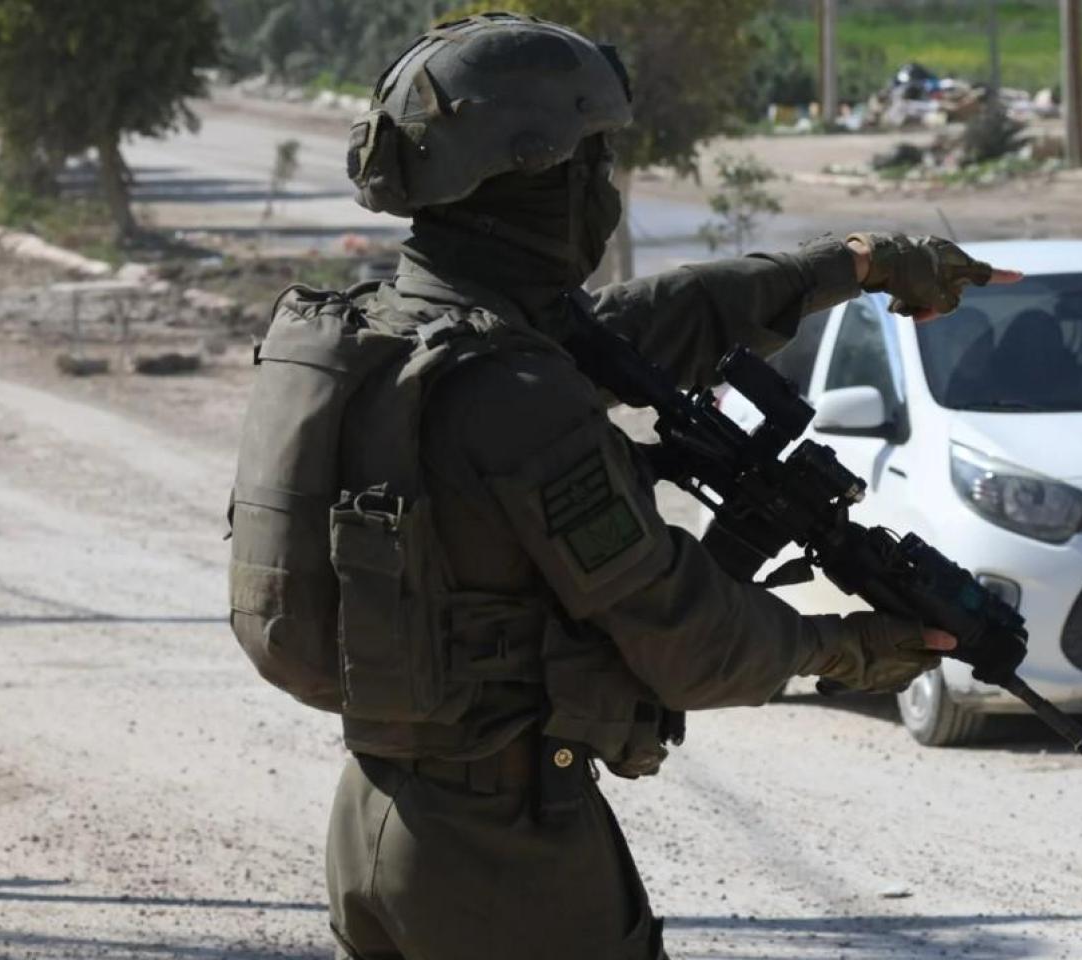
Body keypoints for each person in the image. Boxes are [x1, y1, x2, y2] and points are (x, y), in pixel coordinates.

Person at [274, 13, 1019, 959]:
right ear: (535, 174)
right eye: (592, 163)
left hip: (378, 818)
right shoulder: (516, 395)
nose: (605, 189)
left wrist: (854, 265)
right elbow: (685, 640)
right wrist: (851, 648)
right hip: (504, 851)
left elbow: (633, 329)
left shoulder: (393, 335)